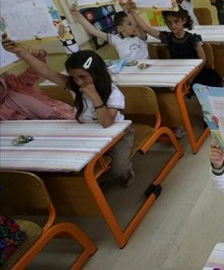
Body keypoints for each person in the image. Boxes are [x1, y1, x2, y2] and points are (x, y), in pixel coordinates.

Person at [2, 39, 135, 187]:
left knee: (118, 169)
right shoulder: (75, 87)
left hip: (117, 135)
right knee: (71, 163)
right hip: (88, 132)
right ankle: (92, 180)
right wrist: (21, 52)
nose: (78, 82)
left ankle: (123, 171)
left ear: (97, 73)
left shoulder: (113, 93)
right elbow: (45, 71)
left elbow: (106, 123)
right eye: (74, 78)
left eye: (83, 77)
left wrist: (95, 96)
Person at [128, 3, 224, 89]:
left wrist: (191, 78)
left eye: (176, 21)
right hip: (178, 71)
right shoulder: (167, 37)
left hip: (195, 72)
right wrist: (132, 12)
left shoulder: (193, 38)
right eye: (169, 23)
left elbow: (203, 60)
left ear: (184, 21)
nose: (173, 26)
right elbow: (146, 28)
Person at [0, 46, 75, 121]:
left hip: (58, 114)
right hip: (33, 126)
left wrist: (37, 56)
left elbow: (37, 70)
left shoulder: (15, 84)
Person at [71, 5, 149, 61]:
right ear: (120, 28)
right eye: (130, 24)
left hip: (146, 69)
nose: (134, 26)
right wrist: (78, 15)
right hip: (129, 71)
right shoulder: (115, 39)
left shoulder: (140, 36)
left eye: (134, 23)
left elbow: (137, 27)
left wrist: (128, 11)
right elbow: (93, 31)